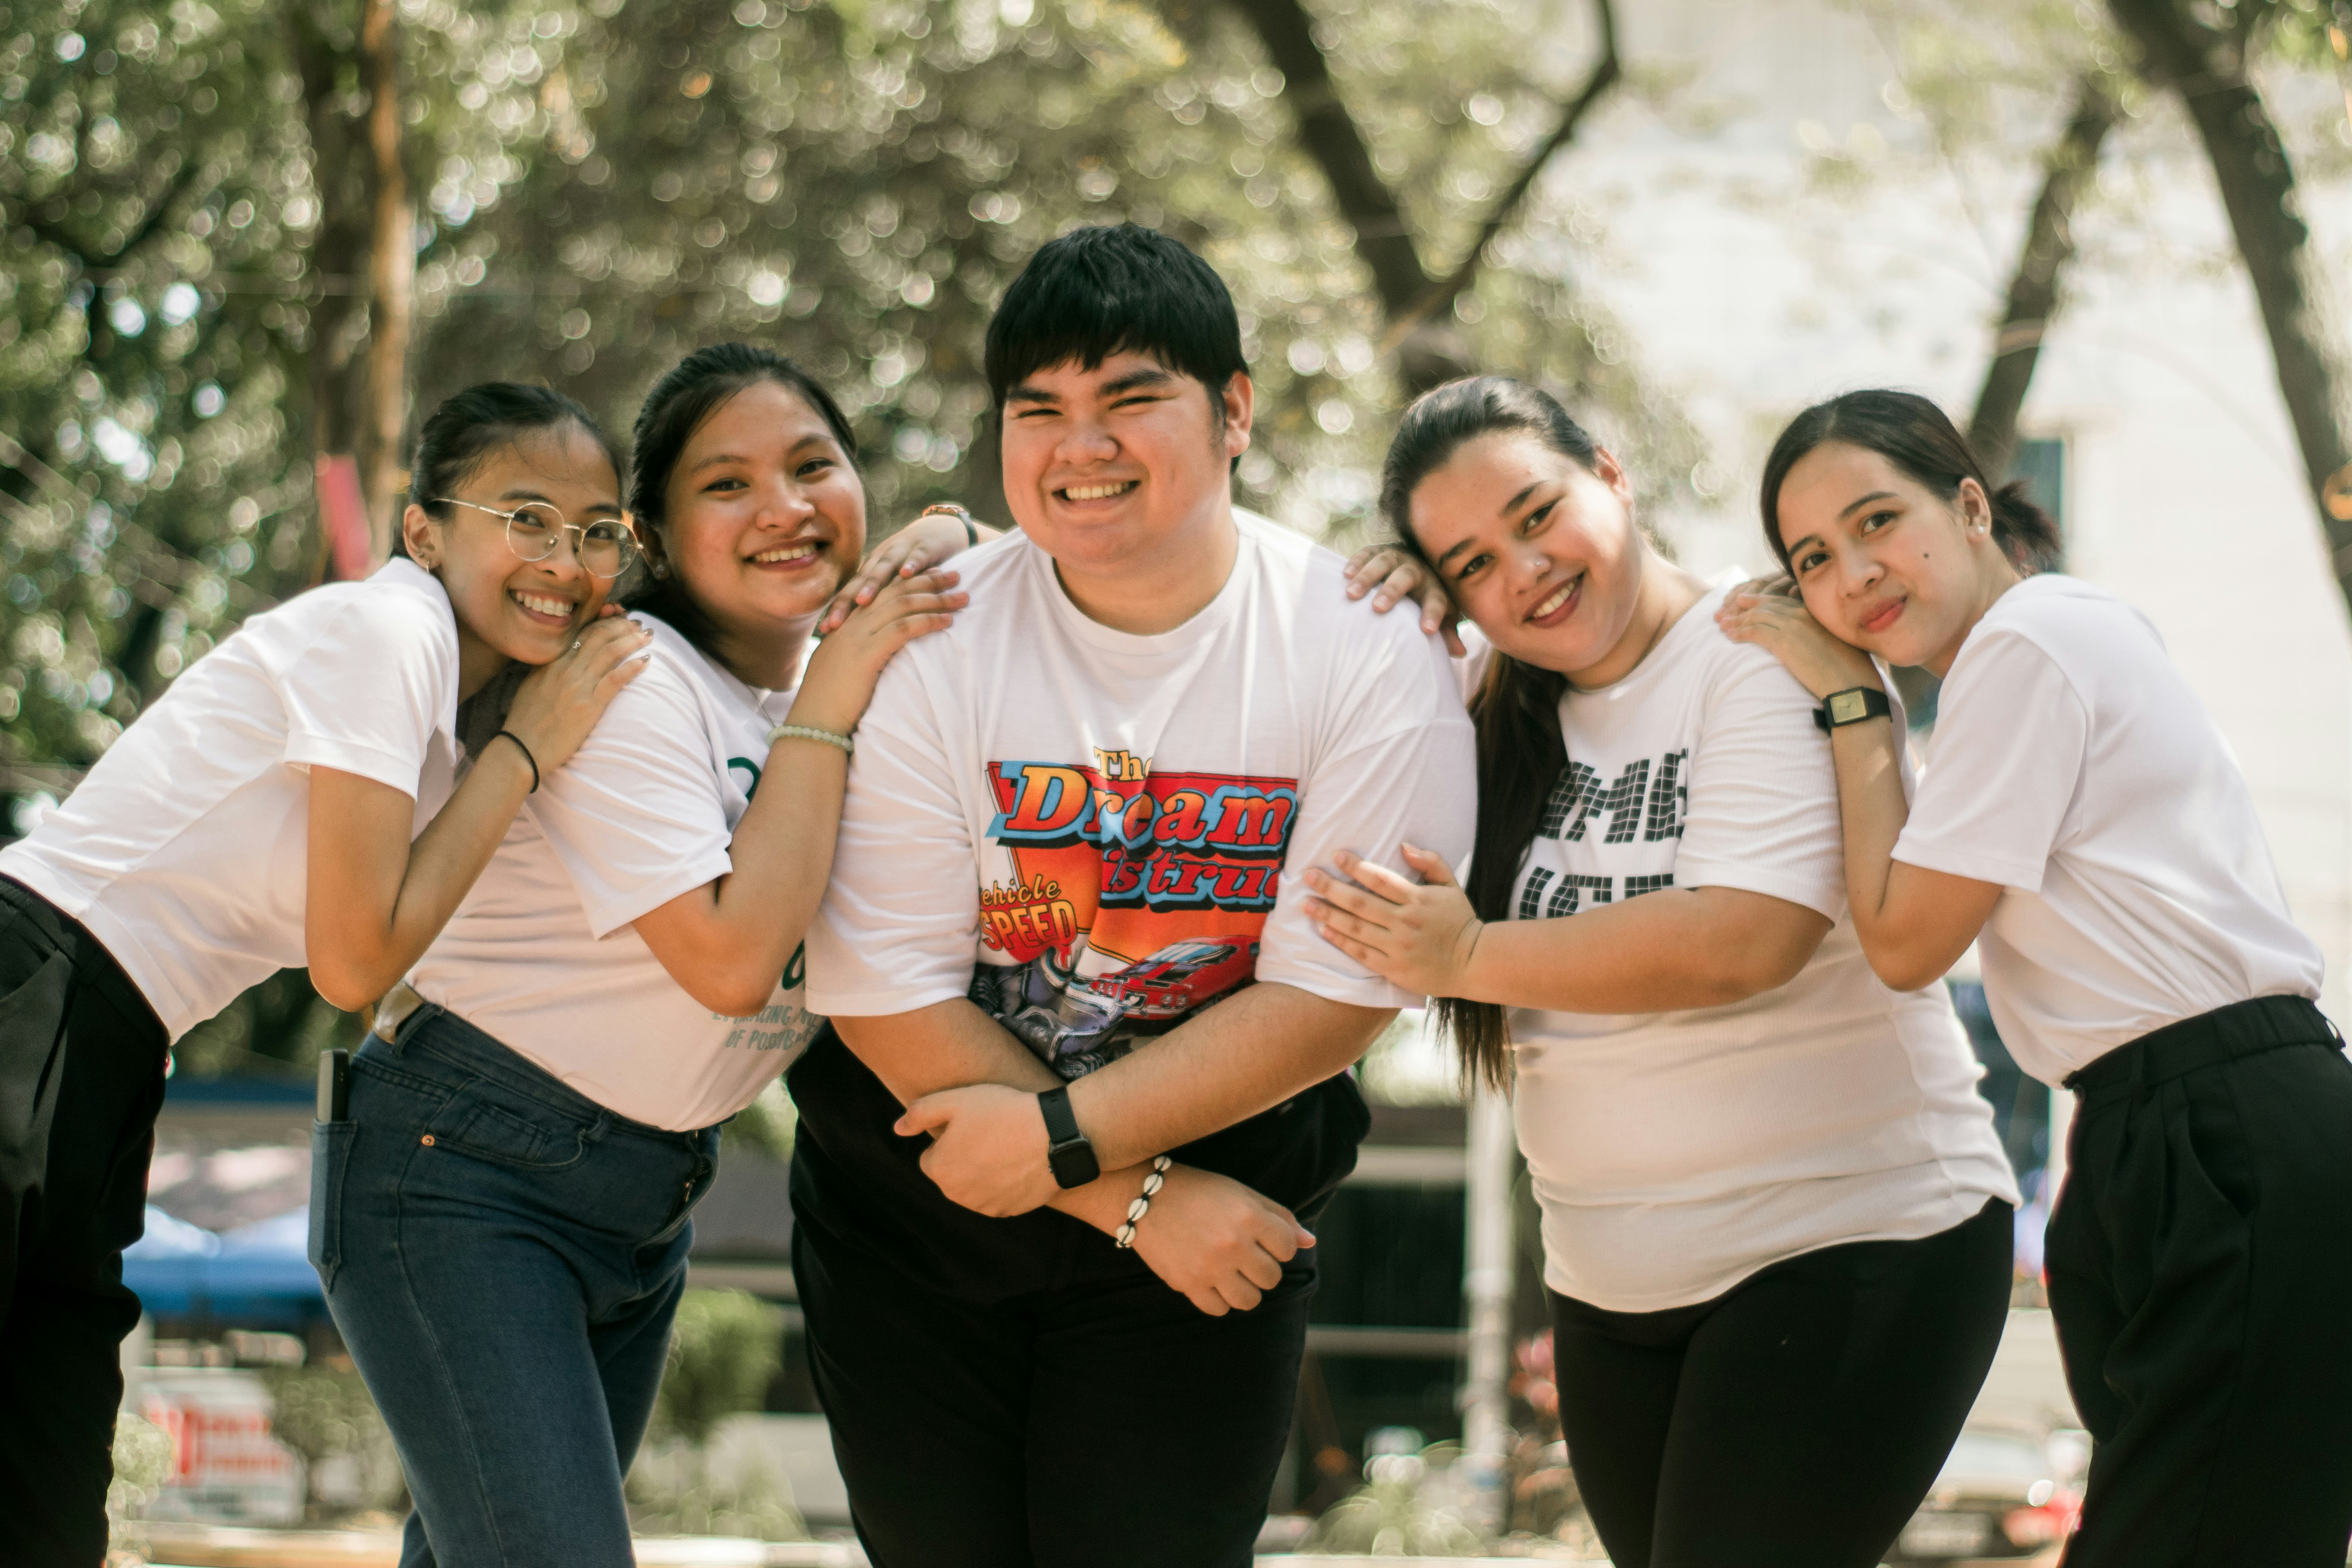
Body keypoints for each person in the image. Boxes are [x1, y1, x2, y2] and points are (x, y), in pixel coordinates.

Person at [789, 223, 1477, 1568]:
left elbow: (1336, 995)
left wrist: (1082, 1154)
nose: (1077, 446)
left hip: (1221, 1208)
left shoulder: (1365, 652)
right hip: (918, 1209)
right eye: (1037, 409)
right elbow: (882, 983)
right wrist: (1128, 1195)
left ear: (1233, 412)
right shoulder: (931, 638)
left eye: (1129, 399)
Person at [1309, 375, 2019, 1568]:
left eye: (1537, 515)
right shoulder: (1480, 700)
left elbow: (1743, 938)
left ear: (1611, 473)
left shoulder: (1757, 646)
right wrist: (1375, 618)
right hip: (1609, 1286)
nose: (1522, 571)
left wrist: (1469, 953)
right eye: (1473, 564)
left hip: (1847, 1240)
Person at [321, 343, 976, 1568]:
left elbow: (981, 560)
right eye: (726, 485)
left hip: (640, 1194)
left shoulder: (812, 700)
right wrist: (843, 665)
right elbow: (732, 962)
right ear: (653, 541)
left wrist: (940, 529)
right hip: (462, 1169)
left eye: (813, 467)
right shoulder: (629, 678)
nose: (783, 507)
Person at [0, 382, 650, 1566]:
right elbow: (357, 958)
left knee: (43, 1496)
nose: (566, 558)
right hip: (32, 986)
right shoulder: (388, 632)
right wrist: (527, 749)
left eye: (597, 529)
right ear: (422, 532)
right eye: (525, 517)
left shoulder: (457, 724)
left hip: (114, 1048)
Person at [1717, 388, 2352, 1568]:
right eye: (1812, 558)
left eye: (1874, 521)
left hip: (2221, 1124)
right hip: (2163, 1126)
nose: (1851, 574)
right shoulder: (2040, 651)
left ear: (1969, 505)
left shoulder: (2029, 643)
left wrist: (1852, 701)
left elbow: (1908, 944)